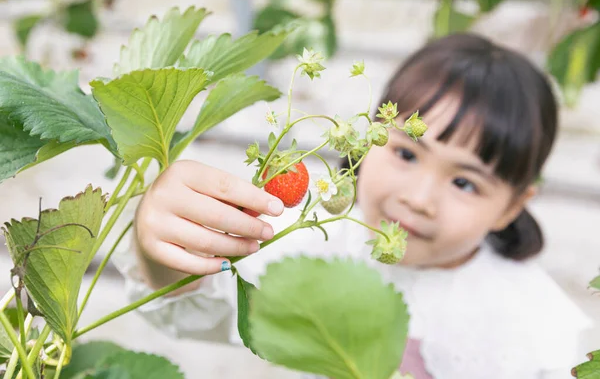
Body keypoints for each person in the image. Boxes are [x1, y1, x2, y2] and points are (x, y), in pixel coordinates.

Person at [113, 33, 592, 378]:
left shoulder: (537, 328)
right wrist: (161, 247)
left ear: (514, 207)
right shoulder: (313, 238)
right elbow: (193, 310)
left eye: (465, 184)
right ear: (367, 139)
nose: (418, 198)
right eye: (406, 153)